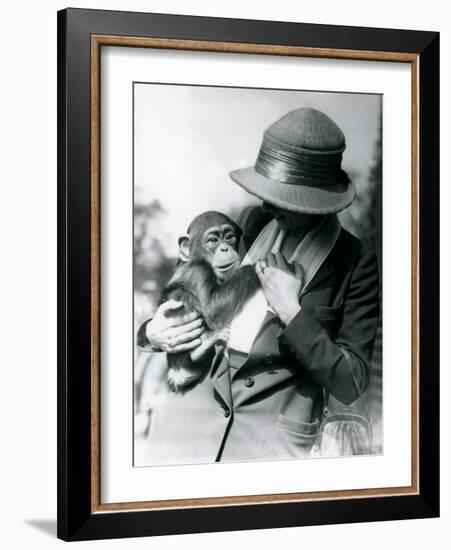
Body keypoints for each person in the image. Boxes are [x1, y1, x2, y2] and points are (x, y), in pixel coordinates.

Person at [136, 107, 380, 465]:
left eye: (280, 197)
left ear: (317, 201)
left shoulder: (354, 261)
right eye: (265, 190)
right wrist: (149, 333)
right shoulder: (252, 223)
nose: (266, 202)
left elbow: (352, 381)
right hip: (185, 424)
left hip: (266, 446)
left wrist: (291, 312)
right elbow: (190, 290)